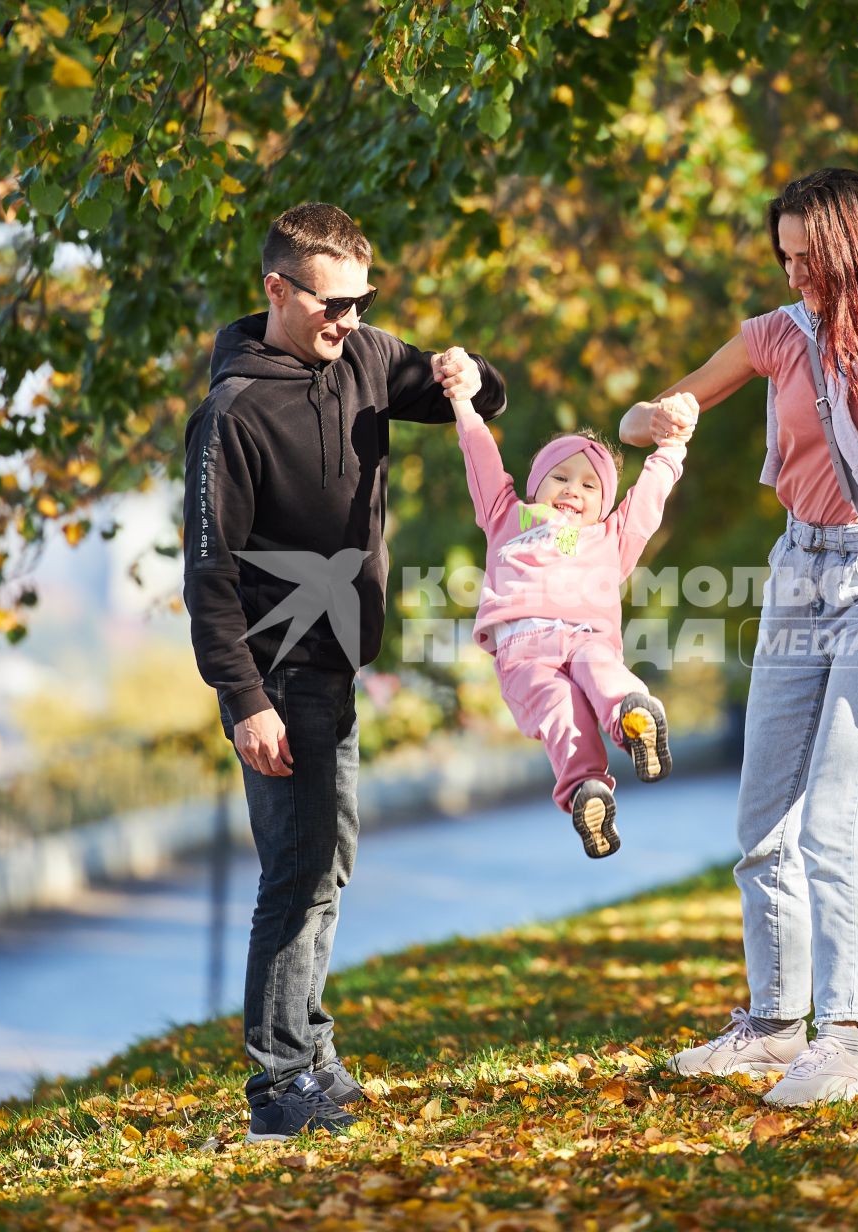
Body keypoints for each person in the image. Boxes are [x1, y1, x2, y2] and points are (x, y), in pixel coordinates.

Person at [619, 168, 858, 1107]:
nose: (795, 275)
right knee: (763, 815)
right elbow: (658, 409)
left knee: (839, 812)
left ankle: (845, 1038)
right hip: (798, 571)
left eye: (810, 257)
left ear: (854, 249)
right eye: (785, 256)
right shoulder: (778, 334)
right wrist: (657, 418)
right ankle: (770, 1027)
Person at [181, 203, 507, 1141]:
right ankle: (280, 1088)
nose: (351, 321)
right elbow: (206, 578)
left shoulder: (361, 354)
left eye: (364, 302)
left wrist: (469, 375)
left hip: (337, 663)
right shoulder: (231, 416)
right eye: (333, 304)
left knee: (329, 860)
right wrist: (243, 703)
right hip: (275, 675)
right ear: (277, 290)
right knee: (296, 871)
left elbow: (483, 401)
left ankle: (311, 1055)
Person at [450, 393, 699, 857]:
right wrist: (464, 405)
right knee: (560, 713)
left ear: (604, 504)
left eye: (589, 486)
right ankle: (590, 793)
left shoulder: (610, 537)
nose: (572, 490)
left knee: (600, 669)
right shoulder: (506, 516)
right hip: (525, 651)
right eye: (560, 478)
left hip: (586, 639)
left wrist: (671, 448)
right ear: (534, 486)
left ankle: (632, 716)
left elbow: (646, 501)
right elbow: (481, 457)